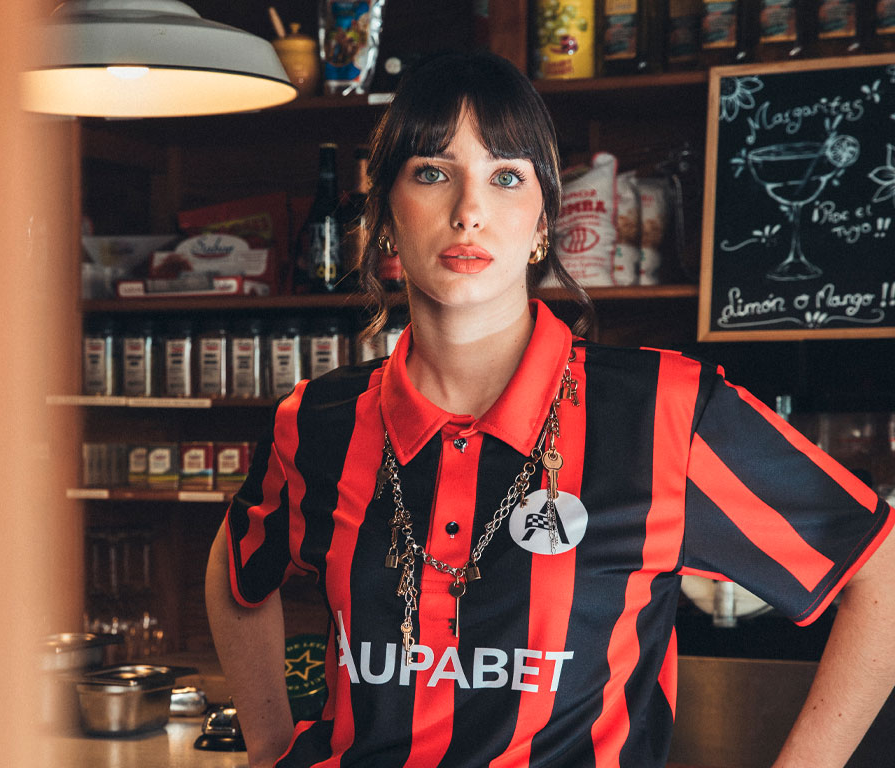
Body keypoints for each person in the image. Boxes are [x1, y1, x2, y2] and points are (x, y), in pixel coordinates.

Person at [205, 51, 895, 768]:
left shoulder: (665, 412)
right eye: (432, 173)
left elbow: (880, 569)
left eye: (506, 177)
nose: (468, 211)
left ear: (543, 223)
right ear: (385, 218)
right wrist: (268, 746)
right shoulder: (316, 421)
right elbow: (238, 563)